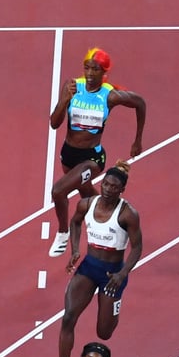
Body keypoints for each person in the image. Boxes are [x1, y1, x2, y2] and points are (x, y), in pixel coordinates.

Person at [42, 161, 142, 357]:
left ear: (121, 190)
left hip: (112, 274)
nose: (107, 189)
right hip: (88, 268)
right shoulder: (86, 203)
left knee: (103, 332)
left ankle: (116, 301)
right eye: (105, 184)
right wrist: (75, 250)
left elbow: (137, 247)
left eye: (113, 186)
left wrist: (123, 273)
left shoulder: (128, 214)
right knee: (68, 318)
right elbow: (75, 223)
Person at [47, 47, 146, 257]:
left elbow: (140, 103)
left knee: (58, 191)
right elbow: (54, 124)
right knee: (86, 195)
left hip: (92, 159)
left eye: (96, 70)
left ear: (104, 72)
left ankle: (63, 232)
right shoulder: (72, 86)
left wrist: (137, 141)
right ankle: (117, 214)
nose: (90, 74)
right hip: (68, 155)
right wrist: (65, 100)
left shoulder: (109, 96)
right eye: (87, 68)